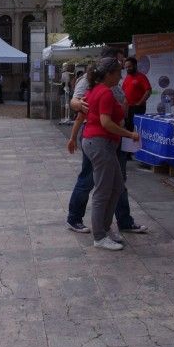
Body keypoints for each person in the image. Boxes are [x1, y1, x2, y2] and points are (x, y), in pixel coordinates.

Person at [67, 51, 147, 235]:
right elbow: (77, 105)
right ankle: (83, 222)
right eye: (119, 67)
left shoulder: (112, 85)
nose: (122, 72)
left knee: (118, 181)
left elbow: (119, 103)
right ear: (108, 69)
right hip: (98, 137)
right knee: (91, 181)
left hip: (112, 137)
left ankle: (122, 221)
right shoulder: (94, 86)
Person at [81, 58, 140, 250]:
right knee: (103, 191)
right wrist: (130, 134)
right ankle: (99, 236)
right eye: (118, 72)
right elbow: (105, 122)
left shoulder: (95, 89)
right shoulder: (104, 92)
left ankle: (105, 229)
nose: (121, 75)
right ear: (109, 74)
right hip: (100, 143)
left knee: (116, 187)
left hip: (100, 143)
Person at [122, 56, 152, 130]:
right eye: (126, 67)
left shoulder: (141, 77)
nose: (127, 69)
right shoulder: (127, 77)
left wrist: (139, 103)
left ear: (135, 65)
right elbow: (124, 91)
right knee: (128, 127)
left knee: (136, 128)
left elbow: (148, 91)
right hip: (128, 108)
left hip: (137, 107)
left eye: (129, 66)